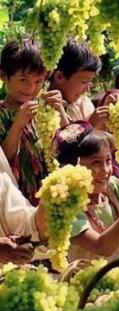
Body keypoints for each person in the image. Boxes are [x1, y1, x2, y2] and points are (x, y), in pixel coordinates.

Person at [52, 121, 119, 271]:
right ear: (72, 168)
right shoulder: (66, 208)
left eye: (108, 160)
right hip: (97, 291)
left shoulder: (111, 189)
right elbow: (102, 247)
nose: (105, 170)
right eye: (95, 162)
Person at [0, 38, 67, 205]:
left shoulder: (44, 109)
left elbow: (68, 145)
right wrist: (18, 125)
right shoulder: (1, 113)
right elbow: (4, 160)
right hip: (16, 202)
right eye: (23, 80)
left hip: (49, 196)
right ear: (3, 76)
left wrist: (61, 112)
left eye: (38, 81)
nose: (31, 88)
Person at [49, 38, 101, 124]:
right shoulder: (38, 108)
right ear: (59, 77)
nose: (87, 89)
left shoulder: (83, 104)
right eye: (84, 82)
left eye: (89, 82)